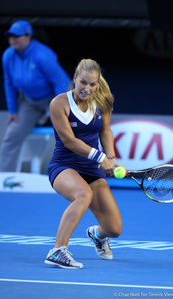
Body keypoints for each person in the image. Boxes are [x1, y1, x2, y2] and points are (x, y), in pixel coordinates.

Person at [45, 58, 123, 269]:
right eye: (83, 83)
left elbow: (105, 130)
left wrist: (112, 158)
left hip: (91, 170)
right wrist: (101, 157)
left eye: (92, 84)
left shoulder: (103, 102)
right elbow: (69, 141)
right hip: (63, 166)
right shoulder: (59, 103)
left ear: (98, 83)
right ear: (75, 79)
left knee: (115, 229)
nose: (87, 89)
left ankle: (97, 235)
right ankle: (57, 251)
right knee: (83, 195)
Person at [0, 20, 71, 172]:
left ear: (28, 36)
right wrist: (12, 111)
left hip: (58, 96)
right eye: (10, 36)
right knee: (12, 134)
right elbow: (9, 83)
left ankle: (78, 172)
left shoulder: (43, 55)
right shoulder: (7, 56)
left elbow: (59, 83)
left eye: (17, 36)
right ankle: (4, 179)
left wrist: (58, 109)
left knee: (67, 131)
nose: (13, 39)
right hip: (30, 102)